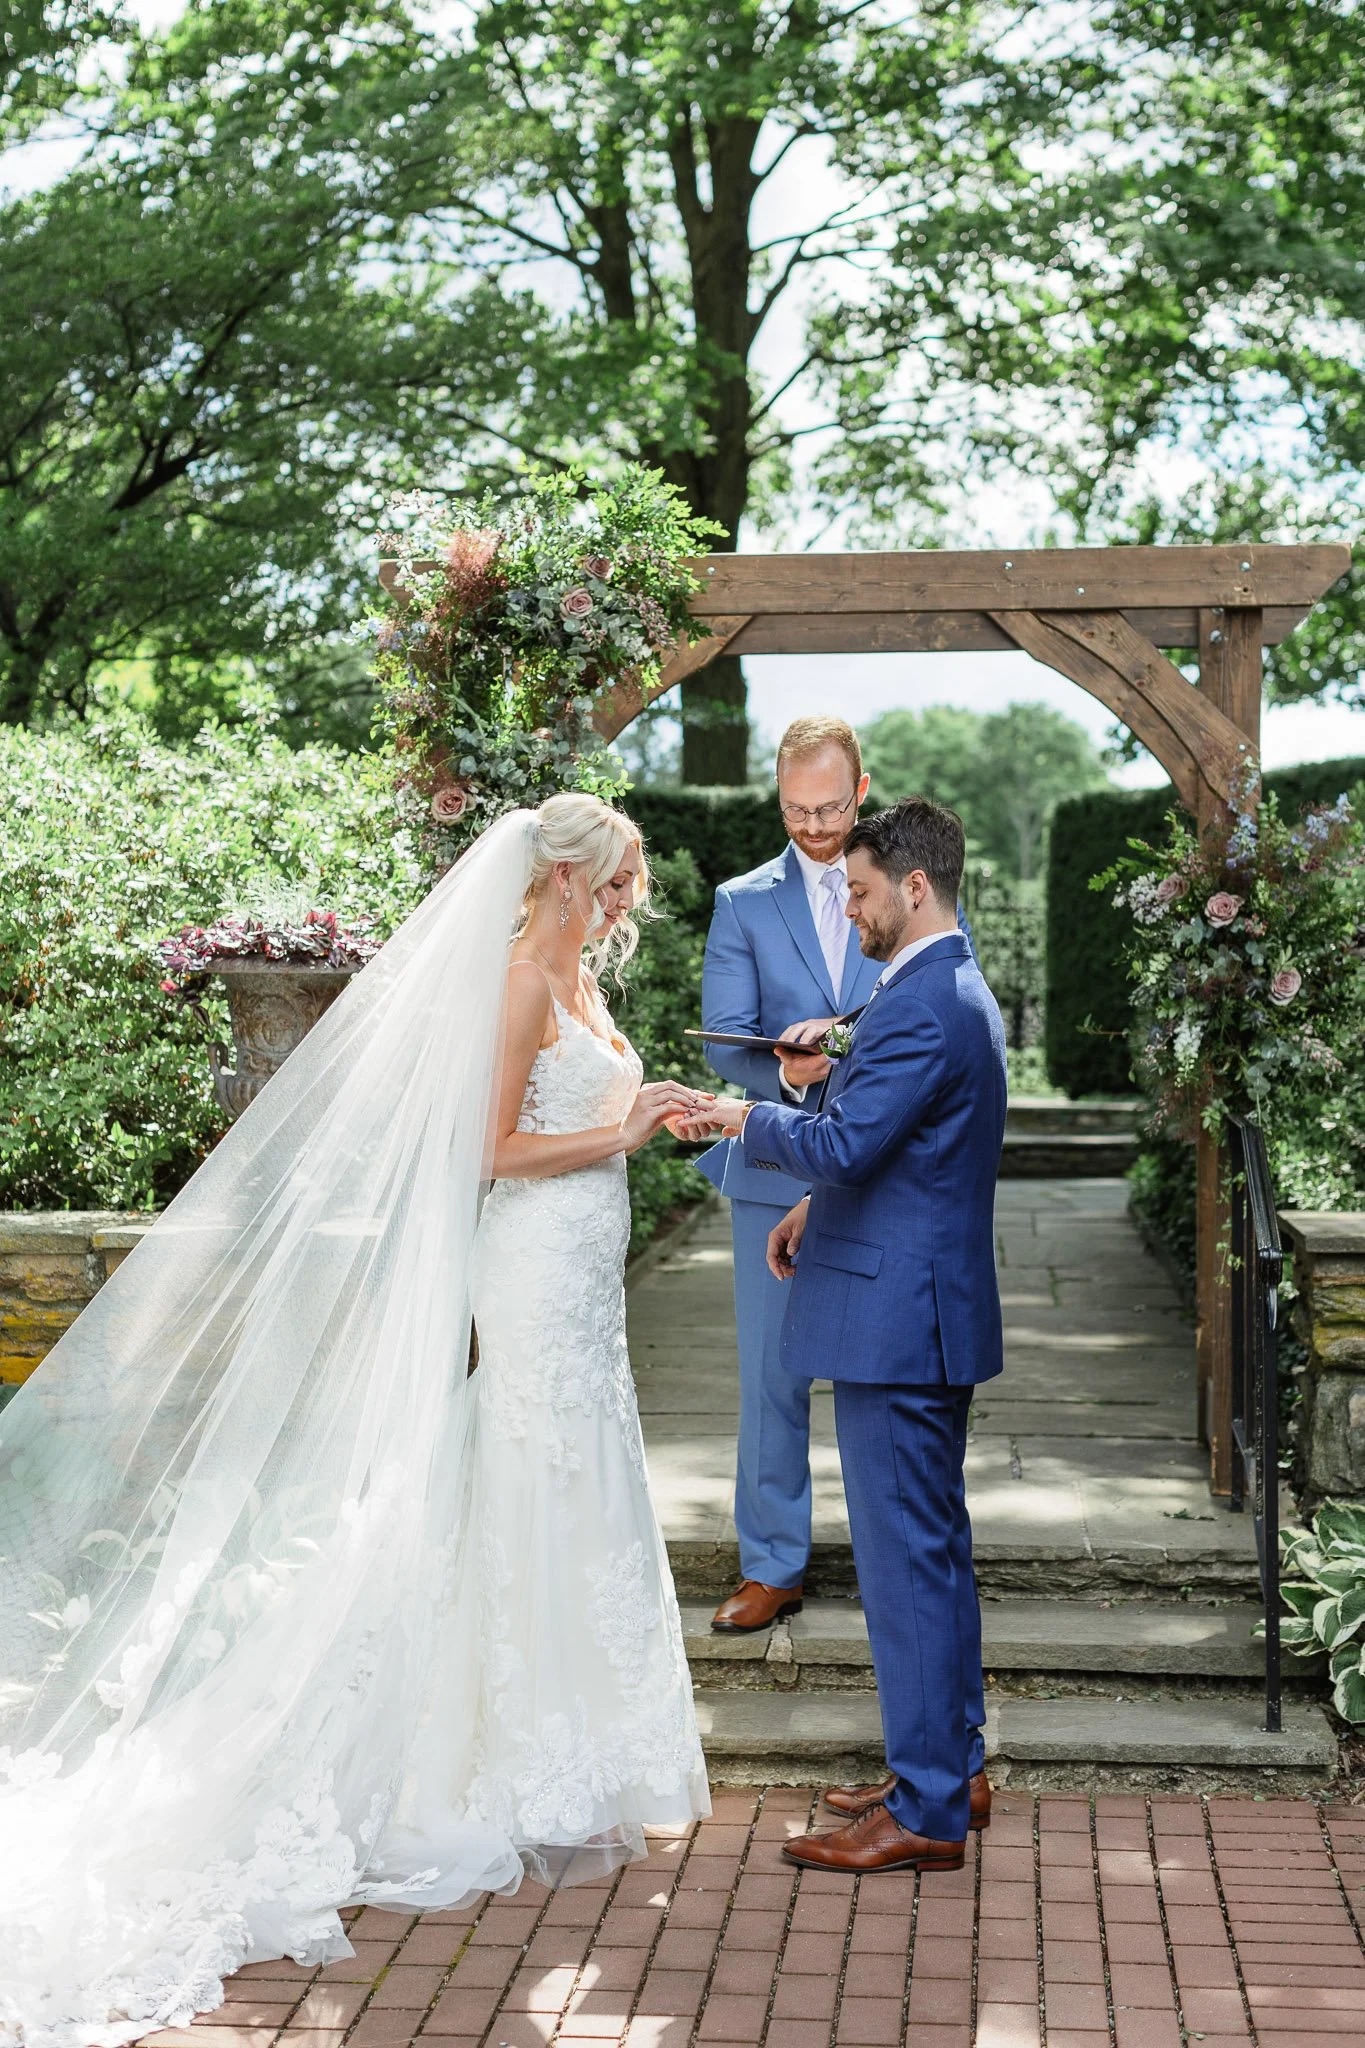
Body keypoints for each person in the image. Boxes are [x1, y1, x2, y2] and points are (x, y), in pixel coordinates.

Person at [0, 794, 710, 2048]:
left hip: (585, 1275)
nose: (625, 904)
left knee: (577, 1478)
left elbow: (574, 1121)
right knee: (530, 1473)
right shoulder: (514, 983)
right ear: (558, 878)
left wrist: (641, 1111)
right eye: (613, 884)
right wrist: (628, 1124)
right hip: (534, 1264)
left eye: (629, 886)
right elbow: (487, 1150)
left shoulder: (573, 975)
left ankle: (584, 1744)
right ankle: (503, 1751)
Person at [678, 796, 1005, 1873]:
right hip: (914, 1302)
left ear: (915, 888)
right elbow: (911, 1148)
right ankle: (948, 1768)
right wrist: (812, 1208)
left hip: (896, 1324)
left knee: (905, 1567)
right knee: (932, 1552)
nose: (850, 908)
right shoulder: (937, 988)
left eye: (861, 891)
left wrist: (740, 1118)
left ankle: (923, 1812)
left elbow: (855, 1137)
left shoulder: (922, 998)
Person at [694, 716, 882, 1633]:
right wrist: (783, 1071)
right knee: (771, 1379)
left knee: (880, 1374)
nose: (814, 827)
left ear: (862, 788)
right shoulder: (741, 901)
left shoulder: (902, 887)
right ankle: (772, 1564)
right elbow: (726, 1035)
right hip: (773, 1170)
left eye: (831, 807)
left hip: (880, 1171)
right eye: (796, 809)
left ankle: (893, 1557)